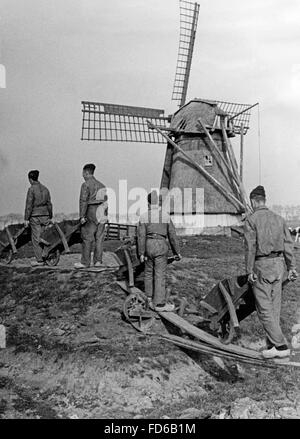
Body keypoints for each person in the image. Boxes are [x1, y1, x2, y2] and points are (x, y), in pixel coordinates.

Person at [244, 185, 298, 359]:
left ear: (253, 201)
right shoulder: (279, 219)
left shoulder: (251, 220)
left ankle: (281, 346)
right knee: (274, 308)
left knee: (264, 308)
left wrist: (249, 270)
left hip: (262, 266)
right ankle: (272, 345)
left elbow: (250, 248)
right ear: (264, 200)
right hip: (279, 265)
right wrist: (292, 267)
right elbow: (289, 245)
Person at [137, 190, 181, 312]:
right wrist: (177, 252)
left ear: (148, 203)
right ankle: (159, 304)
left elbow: (141, 236)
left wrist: (141, 253)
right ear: (159, 203)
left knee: (148, 272)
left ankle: (149, 298)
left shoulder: (144, 216)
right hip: (161, 245)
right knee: (159, 274)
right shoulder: (166, 216)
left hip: (148, 245)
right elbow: (172, 236)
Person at [74, 163, 108, 269]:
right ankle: (98, 261)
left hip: (91, 211)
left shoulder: (85, 185)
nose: (82, 175)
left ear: (86, 172)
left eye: (83, 173)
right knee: (99, 238)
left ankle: (85, 262)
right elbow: (106, 202)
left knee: (87, 237)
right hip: (102, 211)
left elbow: (83, 201)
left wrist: (82, 216)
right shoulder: (102, 185)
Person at [24, 170, 53, 266]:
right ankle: (47, 254)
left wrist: (26, 218)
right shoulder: (45, 189)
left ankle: (39, 260)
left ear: (30, 179)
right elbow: (49, 204)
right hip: (45, 215)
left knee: (36, 238)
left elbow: (29, 205)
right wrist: (50, 215)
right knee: (46, 236)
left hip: (35, 216)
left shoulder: (31, 189)